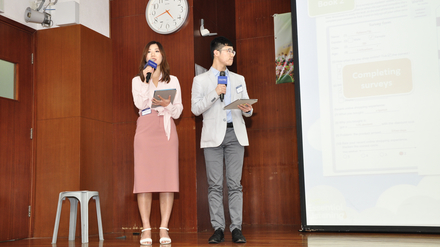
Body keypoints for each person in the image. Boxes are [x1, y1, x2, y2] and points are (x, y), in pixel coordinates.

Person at [191, 36, 253, 244]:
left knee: (235, 184)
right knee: (215, 185)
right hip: (212, 137)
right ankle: (218, 228)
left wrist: (248, 109)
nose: (232, 54)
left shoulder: (239, 79)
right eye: (228, 50)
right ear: (216, 53)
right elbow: (195, 108)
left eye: (233, 51)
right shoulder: (200, 80)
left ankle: (236, 228)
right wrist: (214, 92)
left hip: (235, 134)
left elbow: (247, 109)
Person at [132, 41, 183, 245]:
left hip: (166, 129)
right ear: (145, 57)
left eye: (157, 51)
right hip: (145, 129)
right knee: (143, 181)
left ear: (163, 55)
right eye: (149, 52)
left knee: (166, 181)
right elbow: (139, 103)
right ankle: (146, 228)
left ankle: (163, 228)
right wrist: (146, 80)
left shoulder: (173, 80)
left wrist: (167, 104)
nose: (153, 54)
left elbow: (179, 111)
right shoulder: (137, 80)